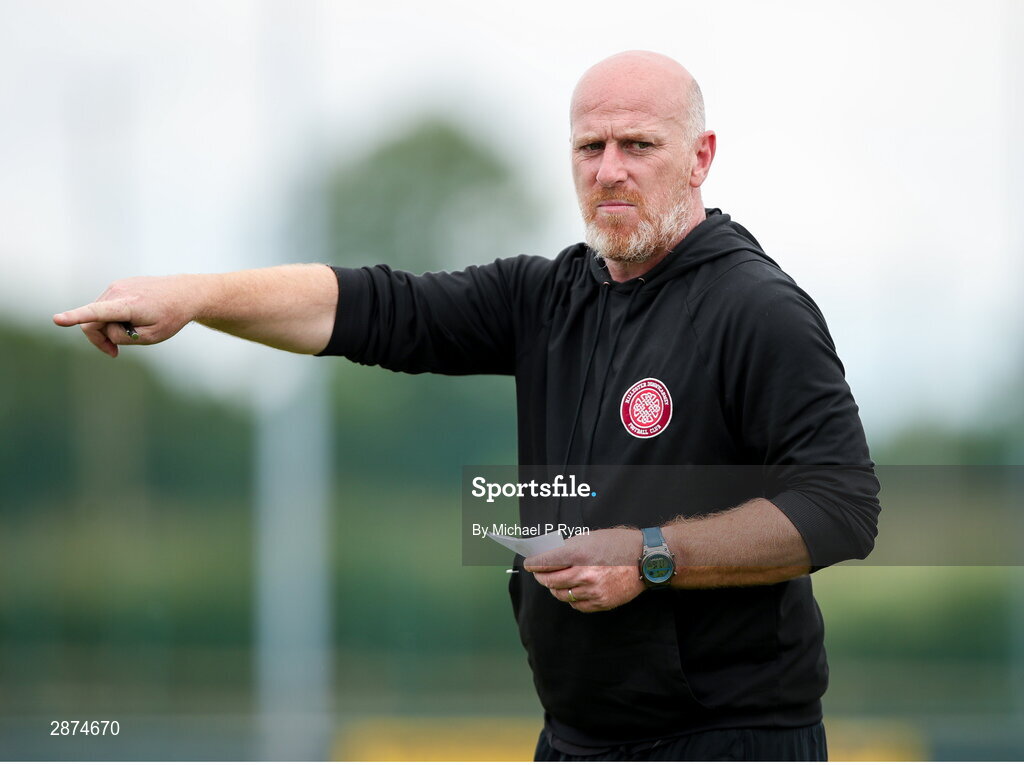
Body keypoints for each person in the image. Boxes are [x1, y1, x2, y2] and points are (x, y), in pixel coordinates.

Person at [54, 51, 879, 761]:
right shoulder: (549, 297)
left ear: (700, 156)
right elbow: (372, 307)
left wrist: (649, 554)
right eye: (590, 147)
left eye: (639, 145)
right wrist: (196, 296)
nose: (610, 169)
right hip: (578, 736)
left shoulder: (756, 308)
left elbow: (844, 506)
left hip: (732, 739)